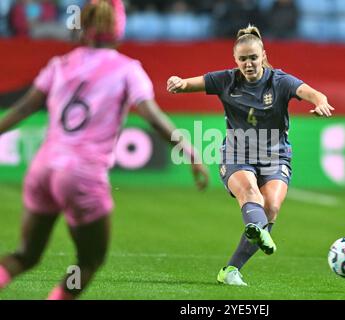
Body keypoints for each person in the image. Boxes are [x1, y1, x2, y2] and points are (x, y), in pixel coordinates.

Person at [0, 0, 208, 299]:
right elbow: (153, 117)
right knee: (88, 261)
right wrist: (191, 152)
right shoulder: (127, 70)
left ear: (82, 28)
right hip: (81, 173)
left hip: (43, 168)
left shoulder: (60, 64)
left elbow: (23, 107)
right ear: (118, 29)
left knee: (25, 255)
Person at [167, 25, 334, 286]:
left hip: (275, 156)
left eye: (253, 58)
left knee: (271, 208)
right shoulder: (226, 80)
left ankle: (231, 269)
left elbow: (311, 92)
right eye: (242, 59)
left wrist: (320, 102)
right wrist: (179, 83)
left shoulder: (280, 81)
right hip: (237, 154)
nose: (248, 63)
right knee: (250, 195)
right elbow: (192, 83)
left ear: (263, 56)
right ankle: (259, 230)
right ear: (235, 60)